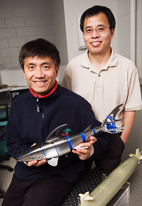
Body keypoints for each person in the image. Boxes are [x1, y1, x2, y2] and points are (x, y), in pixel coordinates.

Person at [2, 38, 107, 206]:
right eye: (31, 67)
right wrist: (27, 155)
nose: (38, 74)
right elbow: (13, 142)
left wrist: (91, 149)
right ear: (24, 71)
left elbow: (101, 135)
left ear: (56, 70)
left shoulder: (75, 104)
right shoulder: (18, 105)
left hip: (59, 175)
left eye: (46, 66)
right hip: (24, 172)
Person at [62, 5, 142, 170]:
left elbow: (130, 108)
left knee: (107, 186)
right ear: (83, 34)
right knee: (79, 184)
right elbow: (65, 106)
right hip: (80, 137)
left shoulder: (127, 67)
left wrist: (122, 141)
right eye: (88, 30)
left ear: (112, 31)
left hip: (112, 136)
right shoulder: (72, 67)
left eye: (100, 29)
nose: (94, 35)